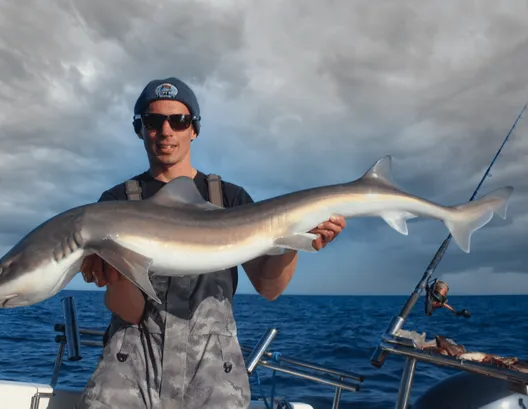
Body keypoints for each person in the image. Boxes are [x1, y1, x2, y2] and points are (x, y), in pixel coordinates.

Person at [75, 77, 347, 409]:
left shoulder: (230, 198)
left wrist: (297, 240)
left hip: (214, 373)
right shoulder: (116, 203)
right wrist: (113, 275)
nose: (166, 130)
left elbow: (269, 287)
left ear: (195, 129)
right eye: (153, 120)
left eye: (179, 120)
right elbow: (129, 312)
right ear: (140, 129)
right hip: (132, 365)